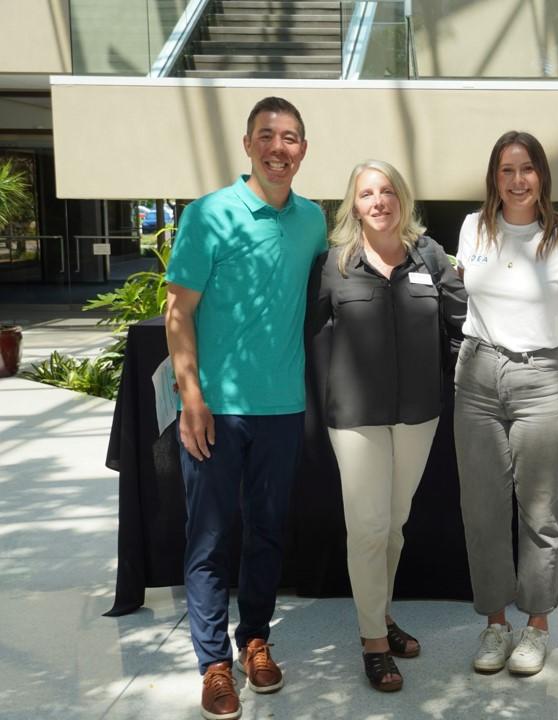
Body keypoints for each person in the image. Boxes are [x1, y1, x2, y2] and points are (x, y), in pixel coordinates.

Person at [164, 97, 327, 720]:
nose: (278, 148)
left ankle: (254, 637)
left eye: (290, 138)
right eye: (267, 136)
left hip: (283, 409)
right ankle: (213, 664)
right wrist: (192, 398)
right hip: (217, 409)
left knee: (265, 533)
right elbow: (179, 311)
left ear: (303, 151)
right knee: (208, 537)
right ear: (248, 144)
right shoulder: (209, 215)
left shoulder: (312, 221)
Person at [306, 160, 466, 692]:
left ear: (403, 198)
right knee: (368, 526)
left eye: (387, 191)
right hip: (354, 417)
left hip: (418, 412)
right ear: (353, 205)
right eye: (367, 193)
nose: (378, 201)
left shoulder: (431, 256)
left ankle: (382, 613)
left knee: (395, 522)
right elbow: (310, 336)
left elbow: (458, 328)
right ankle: (373, 639)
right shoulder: (334, 264)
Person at [454, 130, 558, 677]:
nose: (518, 180)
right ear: (495, 178)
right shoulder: (474, 228)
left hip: (544, 377)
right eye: (507, 170)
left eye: (528, 169)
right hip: (477, 375)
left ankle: (537, 625)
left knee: (539, 511)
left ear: (542, 174)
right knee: (482, 509)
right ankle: (495, 623)